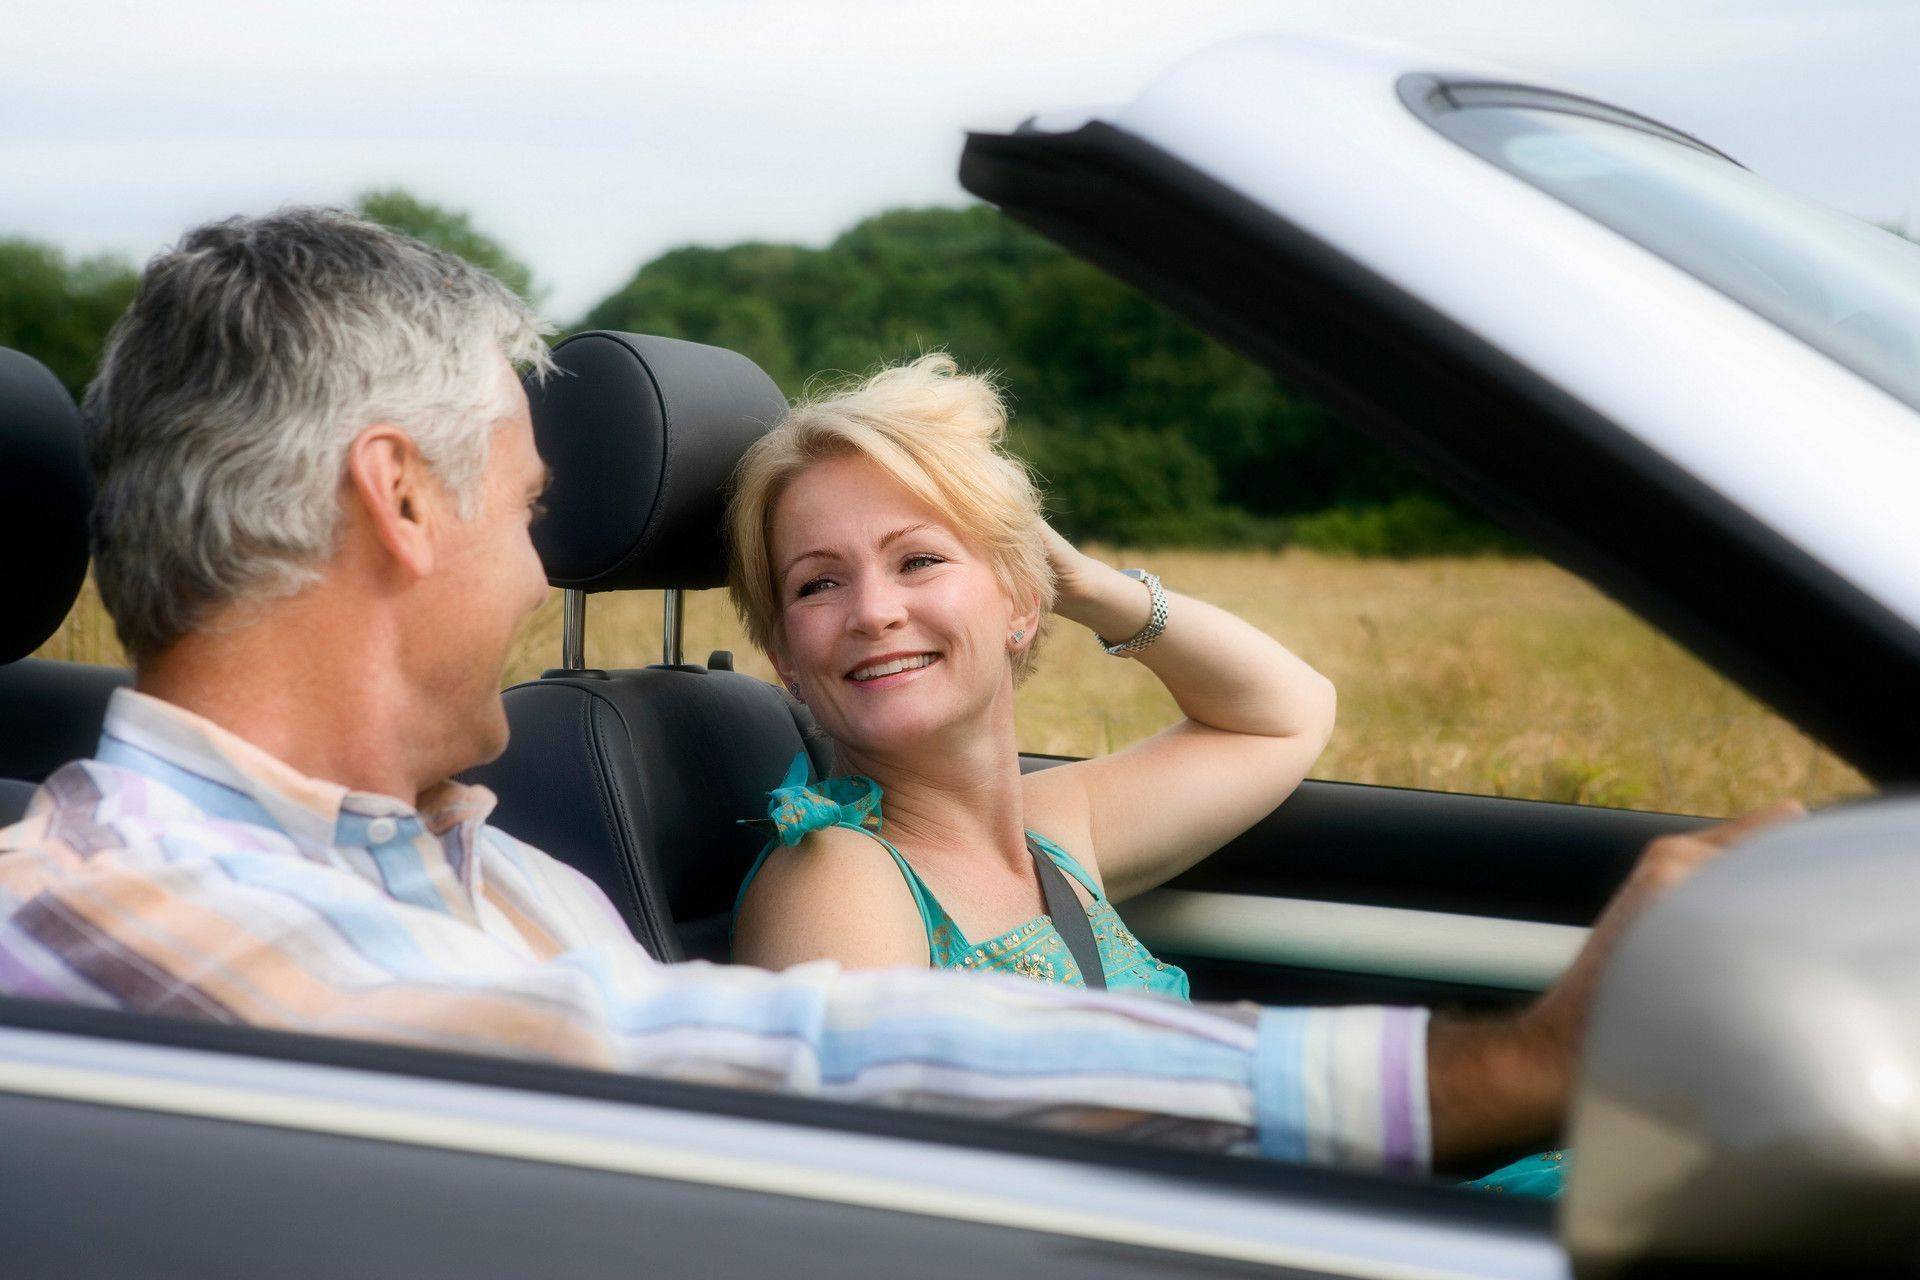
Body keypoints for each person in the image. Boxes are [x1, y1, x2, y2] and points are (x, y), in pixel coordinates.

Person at [0, 209, 1796, 1184]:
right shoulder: (101, 919)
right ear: (402, 498)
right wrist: (1499, 1074)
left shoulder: (505, 879)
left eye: (932, 563)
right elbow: (755, 1066)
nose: (550, 573)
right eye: (535, 509)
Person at [728, 357, 1333, 1000]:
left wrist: (1087, 586)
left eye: (919, 560)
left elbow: (1288, 715)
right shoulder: (837, 881)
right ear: (783, 653)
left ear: (1019, 600)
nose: (875, 612)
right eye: (818, 583)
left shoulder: (1052, 829)